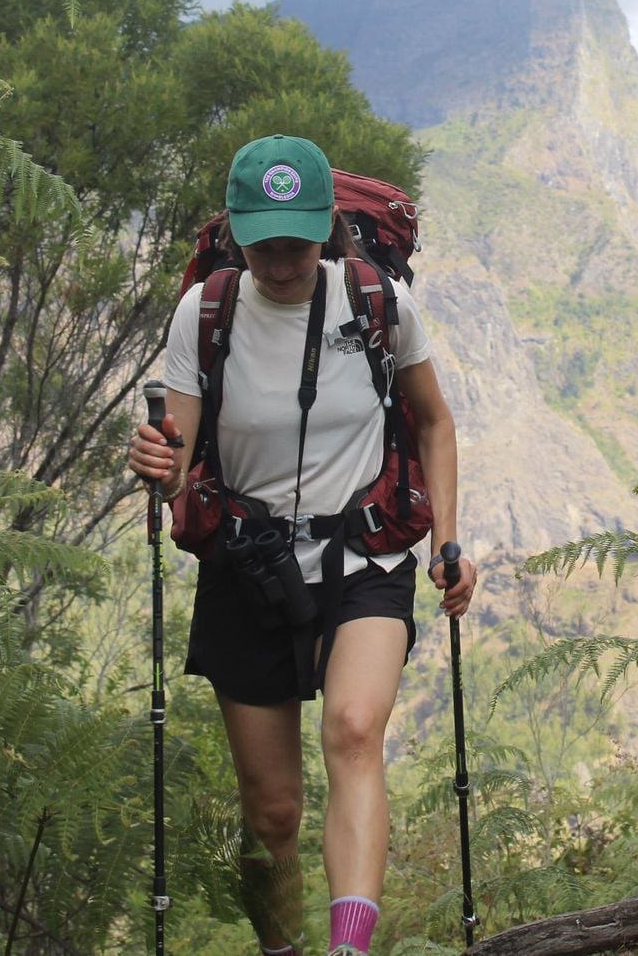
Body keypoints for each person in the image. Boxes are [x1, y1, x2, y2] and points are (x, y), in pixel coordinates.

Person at [127, 134, 476, 956]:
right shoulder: (205, 312)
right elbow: (177, 466)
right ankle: (281, 946)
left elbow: (434, 420)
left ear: (326, 228)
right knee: (272, 811)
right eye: (264, 241)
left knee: (355, 728)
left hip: (366, 556)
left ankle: (348, 948)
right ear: (238, 233)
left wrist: (448, 544)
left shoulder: (375, 302)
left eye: (297, 239)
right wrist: (156, 464)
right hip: (247, 563)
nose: (281, 259)